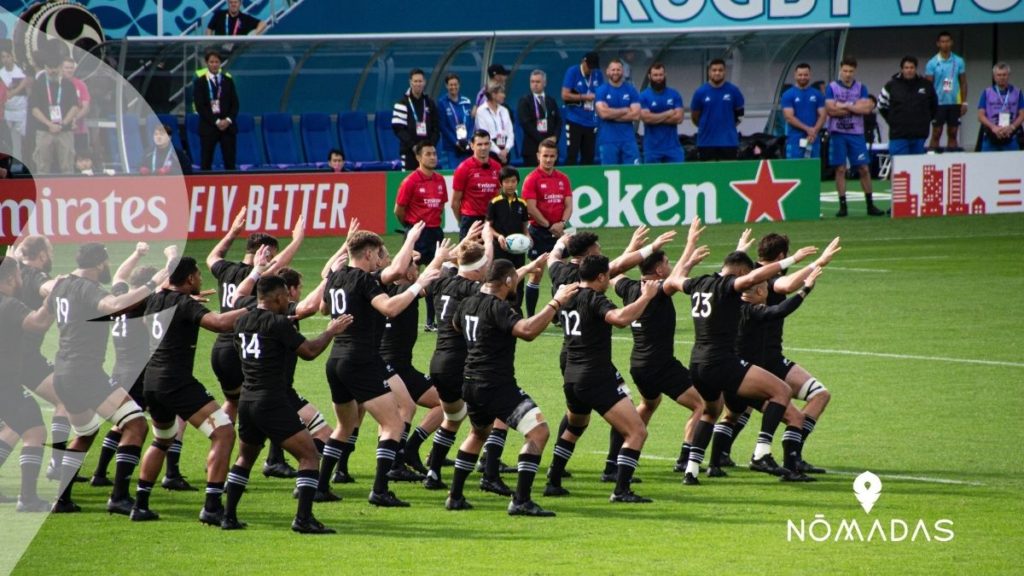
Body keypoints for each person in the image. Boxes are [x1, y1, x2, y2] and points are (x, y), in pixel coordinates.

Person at [317, 229, 441, 507]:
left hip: (335, 360)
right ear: (369, 253)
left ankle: (320, 487)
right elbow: (389, 308)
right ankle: (380, 489)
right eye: (379, 254)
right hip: (361, 359)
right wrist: (416, 285)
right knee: (394, 422)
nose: (380, 260)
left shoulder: (335, 277)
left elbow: (324, 309)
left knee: (345, 425)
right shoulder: (364, 279)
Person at [445, 260, 578, 515]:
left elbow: (455, 326)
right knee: (539, 432)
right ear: (507, 281)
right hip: (495, 384)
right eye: (514, 279)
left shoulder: (467, 303)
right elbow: (527, 331)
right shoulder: (498, 307)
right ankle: (521, 501)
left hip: (470, 383)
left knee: (477, 434)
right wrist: (556, 303)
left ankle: (455, 496)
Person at [47, 244, 170, 514]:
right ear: (100, 263)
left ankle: (62, 499)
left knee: (85, 432)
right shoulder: (87, 288)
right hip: (86, 373)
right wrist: (152, 283)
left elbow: (46, 292)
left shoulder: (62, 284)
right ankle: (118, 497)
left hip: (63, 371)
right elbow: (113, 305)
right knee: (136, 425)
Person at [680, 245, 819, 486]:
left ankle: (691, 470)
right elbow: (755, 279)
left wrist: (689, 255)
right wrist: (795, 261)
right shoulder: (732, 289)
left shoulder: (699, 283)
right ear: (741, 272)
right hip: (722, 361)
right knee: (782, 391)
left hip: (696, 362)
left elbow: (675, 280)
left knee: (711, 412)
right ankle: (762, 452)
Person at [223, 275, 350, 533]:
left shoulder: (241, 321)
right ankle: (303, 519)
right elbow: (310, 352)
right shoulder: (279, 324)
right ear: (278, 297)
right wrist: (331, 331)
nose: (290, 301)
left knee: (245, 458)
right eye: (286, 297)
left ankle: (228, 516)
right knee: (309, 455)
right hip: (272, 400)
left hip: (247, 399)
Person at [130, 256, 249, 523]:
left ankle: (140, 504)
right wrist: (255, 309)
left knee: (162, 440)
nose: (201, 279)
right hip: (176, 382)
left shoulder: (155, 299)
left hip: (151, 380)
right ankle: (212, 506)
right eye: (198, 275)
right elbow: (219, 323)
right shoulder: (183, 303)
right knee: (224, 432)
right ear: (189, 279)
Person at [543, 254, 657, 503]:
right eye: (608, 276)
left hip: (571, 375)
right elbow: (620, 319)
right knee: (636, 431)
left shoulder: (567, 295)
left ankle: (553, 480)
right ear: (601, 277)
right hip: (595, 375)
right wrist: (646, 297)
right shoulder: (594, 298)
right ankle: (621, 490)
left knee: (575, 427)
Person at [604, 219, 707, 480]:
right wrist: (691, 242)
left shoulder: (628, 288)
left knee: (649, 404)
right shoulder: (659, 290)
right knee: (702, 406)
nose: (670, 266)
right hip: (661, 365)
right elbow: (674, 280)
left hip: (638, 364)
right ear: (660, 269)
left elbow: (612, 272)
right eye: (667, 262)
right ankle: (686, 457)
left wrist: (632, 247)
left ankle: (613, 462)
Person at [207, 210, 305, 476]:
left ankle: (220, 451)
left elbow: (211, 257)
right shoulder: (258, 278)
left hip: (220, 347)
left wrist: (233, 231)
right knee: (271, 394)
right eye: (272, 253)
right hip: (246, 342)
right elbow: (276, 266)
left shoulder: (226, 269)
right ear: (265, 251)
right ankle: (273, 459)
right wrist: (297, 240)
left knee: (234, 403)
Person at [0, 255, 55, 512]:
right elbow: (38, 323)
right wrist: (53, 300)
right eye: (20, 275)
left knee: (12, 426)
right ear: (11, 278)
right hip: (5, 383)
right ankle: (28, 498)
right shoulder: (9, 304)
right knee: (34, 429)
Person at [395, 141, 448, 330]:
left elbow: (441, 206)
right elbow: (399, 210)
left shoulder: (440, 180)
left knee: (435, 276)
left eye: (434, 153)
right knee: (410, 276)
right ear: (418, 157)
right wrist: (411, 228)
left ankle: (431, 321)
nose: (433, 157)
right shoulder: (410, 181)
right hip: (417, 233)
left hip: (435, 232)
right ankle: (404, 315)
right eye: (428, 154)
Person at [826, 56, 884, 217]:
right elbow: (830, 109)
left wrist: (843, 105)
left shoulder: (861, 87)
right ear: (840, 70)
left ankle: (870, 204)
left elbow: (866, 109)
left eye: (851, 71)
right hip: (838, 133)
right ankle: (843, 205)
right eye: (845, 71)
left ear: (855, 71)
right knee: (840, 169)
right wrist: (854, 106)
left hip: (856, 133)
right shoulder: (831, 87)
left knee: (864, 168)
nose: (848, 74)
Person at [521, 138, 572, 316]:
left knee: (561, 274)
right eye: (545, 156)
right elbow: (531, 208)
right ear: (538, 156)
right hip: (539, 232)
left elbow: (568, 205)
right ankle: (531, 314)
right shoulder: (532, 179)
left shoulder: (563, 179)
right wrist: (550, 225)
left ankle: (558, 315)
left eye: (552, 156)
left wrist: (562, 223)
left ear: (556, 157)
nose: (548, 159)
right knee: (536, 273)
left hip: (559, 231)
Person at [486, 165, 530, 309]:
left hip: (517, 251)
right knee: (499, 280)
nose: (510, 185)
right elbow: (489, 227)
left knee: (518, 279)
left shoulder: (522, 203)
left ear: (517, 182)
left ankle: (516, 309)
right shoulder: (494, 203)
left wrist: (528, 237)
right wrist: (499, 237)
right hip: (500, 249)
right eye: (506, 182)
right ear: (501, 183)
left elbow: (524, 226)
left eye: (513, 181)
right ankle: (498, 308)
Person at [29, 49, 78, 174]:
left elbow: (74, 107)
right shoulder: (38, 83)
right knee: (42, 166)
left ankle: (68, 192)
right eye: (50, 68)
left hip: (65, 130)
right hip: (44, 130)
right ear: (45, 67)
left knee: (67, 166)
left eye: (55, 68)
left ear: (60, 67)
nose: (53, 71)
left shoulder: (68, 84)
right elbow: (34, 108)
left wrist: (63, 124)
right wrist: (49, 124)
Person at [878, 56, 938, 158]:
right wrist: (893, 121)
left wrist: (924, 120)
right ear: (902, 69)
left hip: (919, 136)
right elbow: (881, 105)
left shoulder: (926, 85)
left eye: (911, 67)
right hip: (898, 136)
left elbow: (934, 106)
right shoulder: (891, 85)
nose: (909, 70)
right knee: (899, 169)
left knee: (917, 169)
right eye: (906, 68)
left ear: (915, 69)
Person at [193, 49, 239, 171]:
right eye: (211, 62)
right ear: (207, 63)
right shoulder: (200, 82)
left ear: (220, 64)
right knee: (206, 161)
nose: (214, 64)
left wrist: (228, 120)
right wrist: (217, 121)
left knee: (230, 162)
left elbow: (235, 104)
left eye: (217, 62)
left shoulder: (228, 81)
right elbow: (200, 106)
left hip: (227, 128)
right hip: (209, 127)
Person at [690, 59, 744, 161]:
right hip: (706, 143)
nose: (717, 73)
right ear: (709, 72)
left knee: (728, 174)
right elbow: (695, 116)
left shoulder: (734, 91)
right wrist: (706, 126)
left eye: (720, 70)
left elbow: (740, 115)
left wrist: (727, 127)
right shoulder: (700, 92)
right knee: (707, 175)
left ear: (725, 72)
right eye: (714, 70)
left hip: (729, 143)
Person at [452, 130, 501, 239]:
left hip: (492, 219)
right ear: (472, 146)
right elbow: (455, 202)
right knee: (468, 256)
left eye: (486, 144)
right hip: (470, 219)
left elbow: (499, 194)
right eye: (479, 144)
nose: (483, 148)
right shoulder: (463, 168)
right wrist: (463, 221)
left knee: (491, 254)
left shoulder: (497, 167)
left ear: (490, 145)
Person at [925, 31, 967, 152]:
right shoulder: (932, 63)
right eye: (942, 42)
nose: (945, 44)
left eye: (947, 41)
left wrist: (964, 102)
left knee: (953, 132)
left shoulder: (959, 61)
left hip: (954, 102)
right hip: (938, 103)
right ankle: (932, 158)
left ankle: (952, 158)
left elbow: (963, 82)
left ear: (951, 42)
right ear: (938, 44)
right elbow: (928, 86)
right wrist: (929, 105)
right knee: (937, 132)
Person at [392, 68, 440, 171]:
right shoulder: (401, 103)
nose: (418, 84)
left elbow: (436, 128)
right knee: (408, 182)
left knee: (427, 184)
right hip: (409, 152)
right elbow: (398, 129)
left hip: (427, 153)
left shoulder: (429, 103)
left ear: (424, 82)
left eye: (420, 81)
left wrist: (429, 146)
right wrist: (413, 146)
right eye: (415, 81)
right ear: (410, 82)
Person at [595, 59, 641, 166]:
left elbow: (636, 115)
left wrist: (611, 114)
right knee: (610, 174)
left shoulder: (631, 90)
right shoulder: (601, 90)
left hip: (628, 140)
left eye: (618, 70)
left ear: (623, 72)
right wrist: (625, 110)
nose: (615, 72)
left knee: (633, 174)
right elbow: (603, 114)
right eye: (613, 70)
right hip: (608, 141)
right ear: (607, 72)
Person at [562, 52, 603, 165]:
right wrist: (584, 97)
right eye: (589, 67)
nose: (591, 70)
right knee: (572, 153)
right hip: (575, 119)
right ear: (583, 62)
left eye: (593, 67)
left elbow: (601, 93)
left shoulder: (597, 74)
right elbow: (565, 94)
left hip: (591, 121)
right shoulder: (573, 71)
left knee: (589, 155)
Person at [639, 62, 685, 164]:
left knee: (677, 178)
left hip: (673, 147)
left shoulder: (674, 94)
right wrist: (668, 114)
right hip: (652, 148)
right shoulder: (643, 96)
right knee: (653, 179)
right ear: (649, 76)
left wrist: (655, 117)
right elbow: (647, 118)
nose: (658, 78)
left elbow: (679, 118)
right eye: (655, 75)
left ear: (665, 75)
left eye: (661, 75)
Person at [781, 63, 827, 159]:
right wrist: (808, 129)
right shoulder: (788, 95)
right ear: (795, 75)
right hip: (795, 139)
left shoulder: (817, 94)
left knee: (812, 169)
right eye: (800, 75)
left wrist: (814, 131)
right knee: (794, 170)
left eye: (805, 75)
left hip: (813, 139)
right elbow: (789, 117)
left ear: (810, 75)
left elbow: (822, 115)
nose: (803, 77)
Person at [517, 70, 561, 167]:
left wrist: (555, 137)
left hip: (551, 147)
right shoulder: (525, 101)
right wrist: (543, 141)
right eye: (532, 82)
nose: (535, 84)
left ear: (544, 83)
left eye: (538, 82)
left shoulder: (551, 100)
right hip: (532, 147)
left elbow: (558, 121)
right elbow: (526, 124)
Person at [977, 62, 1024, 152]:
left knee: (1013, 164)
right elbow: (980, 115)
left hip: (1011, 135)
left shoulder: (1017, 92)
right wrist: (993, 127)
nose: (1002, 77)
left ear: (1008, 76)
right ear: (994, 77)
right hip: (991, 134)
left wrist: (1012, 127)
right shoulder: (987, 93)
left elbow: (1022, 114)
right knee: (986, 164)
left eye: (1004, 75)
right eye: (999, 75)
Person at [439, 73, 473, 169]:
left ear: (459, 85)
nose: (453, 87)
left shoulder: (466, 101)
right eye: (451, 85)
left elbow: (471, 123)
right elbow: (443, 126)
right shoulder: (442, 102)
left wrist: (469, 140)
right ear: (446, 86)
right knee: (453, 175)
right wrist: (455, 142)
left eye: (455, 84)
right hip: (451, 147)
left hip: (466, 146)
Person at [474, 84, 515, 165]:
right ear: (493, 94)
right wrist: (499, 152)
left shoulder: (504, 110)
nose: (504, 95)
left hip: (505, 150)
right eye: (501, 93)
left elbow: (510, 133)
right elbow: (484, 135)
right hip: (490, 150)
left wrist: (506, 150)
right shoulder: (481, 111)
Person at [1, 47, 29, 163]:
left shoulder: (21, 72)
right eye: (3, 57)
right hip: (7, 111)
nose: (6, 59)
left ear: (12, 57)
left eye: (8, 56)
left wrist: (19, 88)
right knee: (11, 140)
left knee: (22, 140)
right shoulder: (1, 73)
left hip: (21, 110)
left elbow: (27, 90)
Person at [61, 58, 90, 154]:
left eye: (71, 68)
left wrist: (74, 119)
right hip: (61, 131)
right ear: (61, 68)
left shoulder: (80, 84)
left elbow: (86, 107)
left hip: (79, 130)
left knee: (81, 158)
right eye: (66, 67)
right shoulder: (57, 84)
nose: (69, 70)